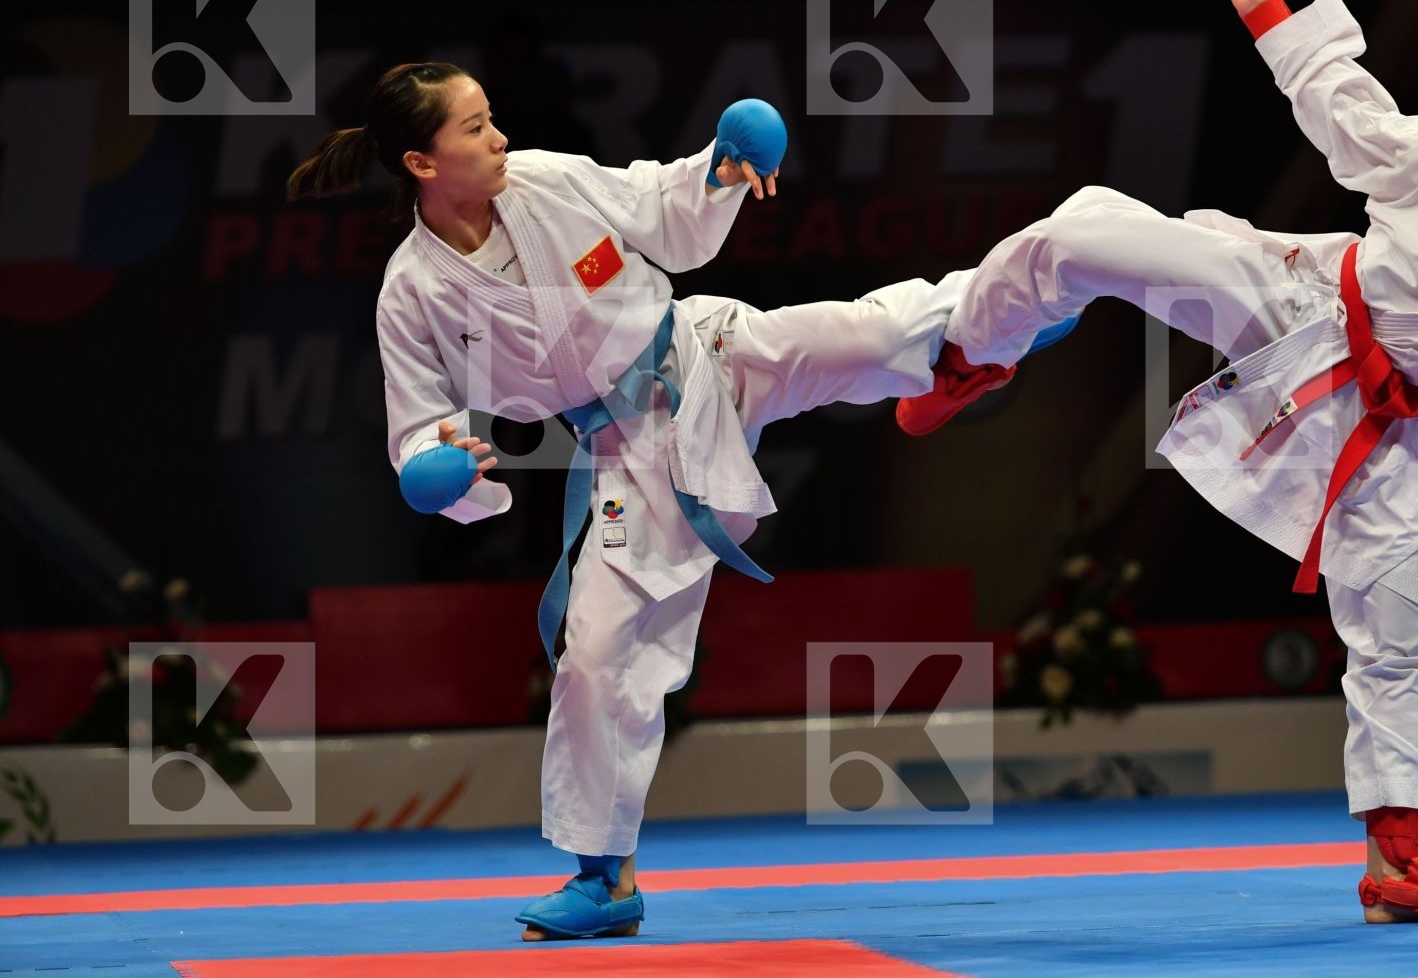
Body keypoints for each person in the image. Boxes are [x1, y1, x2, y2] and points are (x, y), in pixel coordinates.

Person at [897, 0, 1418, 921]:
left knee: (1403, 608)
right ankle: (973, 358)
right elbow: (1360, 130)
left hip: (1388, 421)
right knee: (1081, 235)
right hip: (1304, 302)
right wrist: (1267, 8)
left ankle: (1400, 863)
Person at [287, 63, 979, 941]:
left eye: (491, 116)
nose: (498, 137)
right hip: (626, 453)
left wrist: (720, 167)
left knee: (869, 333)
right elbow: (419, 426)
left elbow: (658, 208)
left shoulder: (544, 180)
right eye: (474, 128)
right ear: (423, 164)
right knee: (593, 657)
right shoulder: (412, 291)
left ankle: (1004, 312)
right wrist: (441, 469)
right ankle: (604, 879)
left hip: (702, 351)